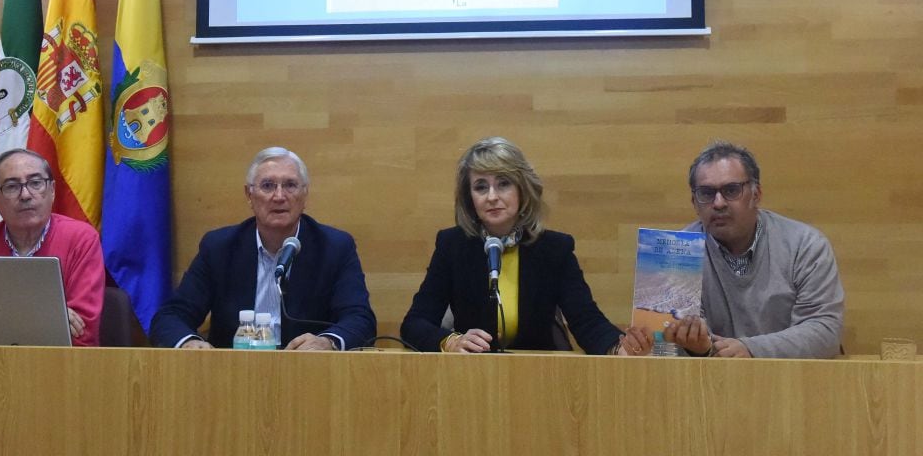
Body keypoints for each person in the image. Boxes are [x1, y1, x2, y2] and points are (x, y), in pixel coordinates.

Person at [401, 137, 652, 355]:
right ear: (470, 198)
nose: (491, 196)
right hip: (471, 376)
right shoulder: (452, 246)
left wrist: (618, 348)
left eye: (503, 183)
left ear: (522, 190)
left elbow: (586, 320)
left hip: (537, 377)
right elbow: (415, 323)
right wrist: (451, 342)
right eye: (480, 186)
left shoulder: (554, 249)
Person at [150, 147, 376, 350]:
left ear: (304, 195)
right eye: (268, 186)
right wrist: (189, 343)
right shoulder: (219, 247)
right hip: (232, 376)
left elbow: (360, 318)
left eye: (290, 185)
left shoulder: (334, 247)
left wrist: (328, 342)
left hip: (309, 374)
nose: (279, 196)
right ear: (249, 195)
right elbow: (171, 316)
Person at [664, 141, 844, 358]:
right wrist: (701, 348)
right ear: (694, 202)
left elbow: (825, 332)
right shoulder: (675, 253)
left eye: (731, 190)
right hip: (708, 383)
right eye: (707, 193)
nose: (719, 203)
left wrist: (751, 349)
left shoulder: (805, 245)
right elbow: (666, 347)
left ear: (756, 194)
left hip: (791, 382)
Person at [0, 148, 105, 347]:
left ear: (52, 190)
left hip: (62, 365)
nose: (25, 195)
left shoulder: (81, 239)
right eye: (11, 186)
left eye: (35, 183)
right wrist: (48, 315)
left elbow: (81, 332)